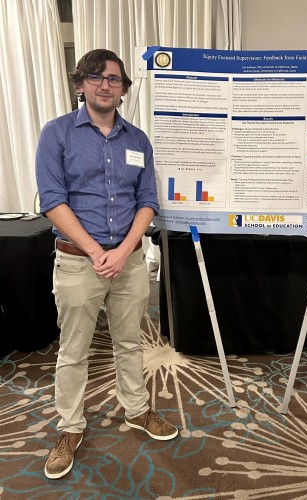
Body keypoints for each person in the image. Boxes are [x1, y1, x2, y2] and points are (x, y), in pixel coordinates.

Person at [35, 49, 178, 480]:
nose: (105, 85)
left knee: (130, 342)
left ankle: (136, 409)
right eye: (95, 77)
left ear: (122, 89)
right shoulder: (57, 134)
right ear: (80, 85)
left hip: (130, 262)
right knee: (74, 350)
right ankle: (70, 427)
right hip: (79, 263)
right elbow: (52, 200)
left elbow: (147, 202)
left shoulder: (138, 140)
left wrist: (123, 251)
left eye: (114, 79)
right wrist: (97, 252)